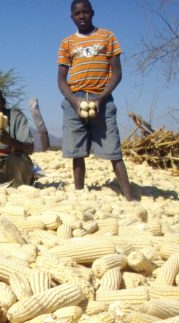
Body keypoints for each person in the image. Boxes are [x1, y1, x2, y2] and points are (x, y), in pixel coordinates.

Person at [57, 0, 138, 200]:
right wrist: (74, 101)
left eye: (85, 12)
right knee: (77, 152)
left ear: (92, 13)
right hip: (75, 99)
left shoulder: (107, 36)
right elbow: (61, 79)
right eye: (77, 13)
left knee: (113, 150)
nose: (82, 16)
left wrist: (101, 98)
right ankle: (79, 194)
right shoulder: (67, 43)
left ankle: (129, 196)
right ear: (72, 17)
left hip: (101, 98)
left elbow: (117, 73)